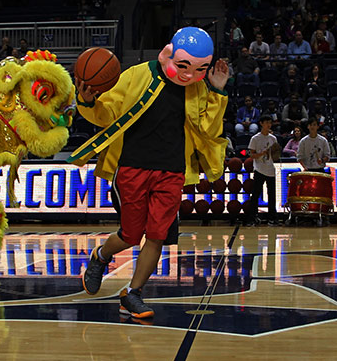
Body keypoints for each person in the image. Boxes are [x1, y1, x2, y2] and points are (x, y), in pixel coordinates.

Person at [68, 27, 228, 319]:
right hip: (132, 166)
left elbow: (209, 129)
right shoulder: (137, 74)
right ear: (169, 52)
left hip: (172, 171)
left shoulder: (199, 88)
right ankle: (100, 256)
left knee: (156, 236)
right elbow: (106, 114)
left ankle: (132, 294)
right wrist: (88, 101)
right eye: (183, 66)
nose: (189, 74)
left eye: (200, 69)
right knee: (131, 235)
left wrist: (216, 90)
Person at [246, 115, 279, 226]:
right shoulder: (255, 138)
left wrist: (275, 153)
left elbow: (275, 156)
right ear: (261, 123)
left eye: (270, 123)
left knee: (272, 195)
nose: (269, 125)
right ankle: (252, 217)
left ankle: (272, 218)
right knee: (255, 195)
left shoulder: (273, 138)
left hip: (270, 170)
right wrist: (262, 153)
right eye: (267, 123)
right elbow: (251, 155)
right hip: (259, 169)